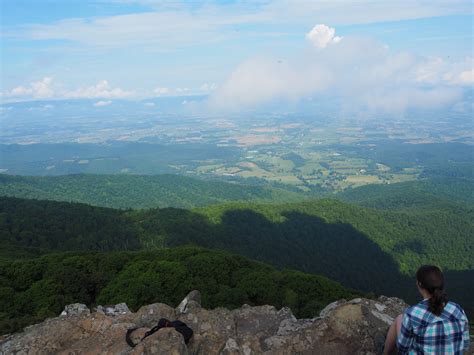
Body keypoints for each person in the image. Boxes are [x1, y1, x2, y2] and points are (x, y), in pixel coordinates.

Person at [383, 265, 470, 354]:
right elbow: (465, 345)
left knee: (400, 318)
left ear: (419, 284)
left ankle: (385, 353)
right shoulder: (458, 310)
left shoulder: (412, 314)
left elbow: (402, 349)